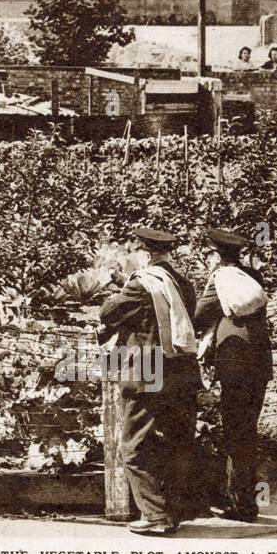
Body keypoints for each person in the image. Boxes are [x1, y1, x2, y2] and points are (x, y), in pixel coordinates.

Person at [98, 226, 200, 536]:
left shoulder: (141, 285)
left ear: (145, 254)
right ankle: (175, 511)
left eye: (133, 252)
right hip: (181, 371)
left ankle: (155, 516)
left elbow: (108, 312)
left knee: (135, 444)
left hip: (148, 372)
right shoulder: (183, 284)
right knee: (178, 442)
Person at [194, 228, 272, 523]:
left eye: (207, 254)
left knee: (237, 432)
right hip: (260, 362)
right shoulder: (254, 277)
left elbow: (197, 315)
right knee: (248, 429)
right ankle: (244, 500)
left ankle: (241, 506)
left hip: (236, 362)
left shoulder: (221, 280)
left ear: (215, 255)